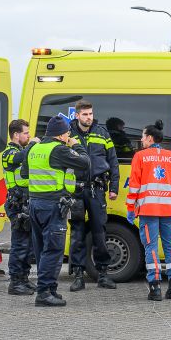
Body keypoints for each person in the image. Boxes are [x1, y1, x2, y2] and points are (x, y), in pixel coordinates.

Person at [21, 114, 90, 306]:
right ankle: (43, 293)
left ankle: (50, 288)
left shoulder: (33, 148)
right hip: (52, 206)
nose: (69, 136)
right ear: (61, 135)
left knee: (42, 248)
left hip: (35, 204)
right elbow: (85, 162)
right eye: (68, 133)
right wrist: (76, 145)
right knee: (53, 250)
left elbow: (24, 173)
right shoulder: (59, 149)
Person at [126, 121, 171, 301]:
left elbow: (134, 185)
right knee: (170, 246)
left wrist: (130, 209)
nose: (141, 140)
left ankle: (155, 288)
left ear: (150, 138)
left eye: (143, 136)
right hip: (170, 210)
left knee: (151, 247)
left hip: (148, 210)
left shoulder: (140, 156)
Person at [67, 100, 119, 292]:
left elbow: (112, 161)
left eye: (90, 114)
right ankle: (78, 275)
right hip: (76, 191)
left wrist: (114, 187)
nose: (89, 117)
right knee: (77, 233)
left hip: (97, 190)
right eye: (85, 114)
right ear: (77, 115)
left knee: (99, 232)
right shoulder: (68, 135)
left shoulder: (102, 133)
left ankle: (103, 274)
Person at [2, 119, 37, 295]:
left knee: (27, 245)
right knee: (19, 245)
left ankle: (24, 278)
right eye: (25, 133)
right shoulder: (9, 152)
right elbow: (18, 159)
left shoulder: (22, 150)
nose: (28, 136)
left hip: (25, 203)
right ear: (16, 134)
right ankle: (15, 282)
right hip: (16, 205)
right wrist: (32, 145)